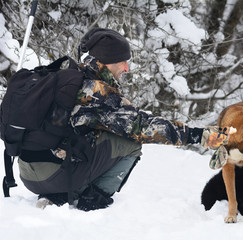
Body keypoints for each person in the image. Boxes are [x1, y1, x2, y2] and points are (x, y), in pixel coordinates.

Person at [17, 28, 229, 211]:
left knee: (103, 134)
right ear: (106, 62)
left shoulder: (66, 77)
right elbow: (142, 127)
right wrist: (199, 135)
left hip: (27, 173)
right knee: (131, 142)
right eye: (122, 61)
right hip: (53, 176)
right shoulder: (97, 92)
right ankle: (90, 199)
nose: (127, 68)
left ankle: (58, 194)